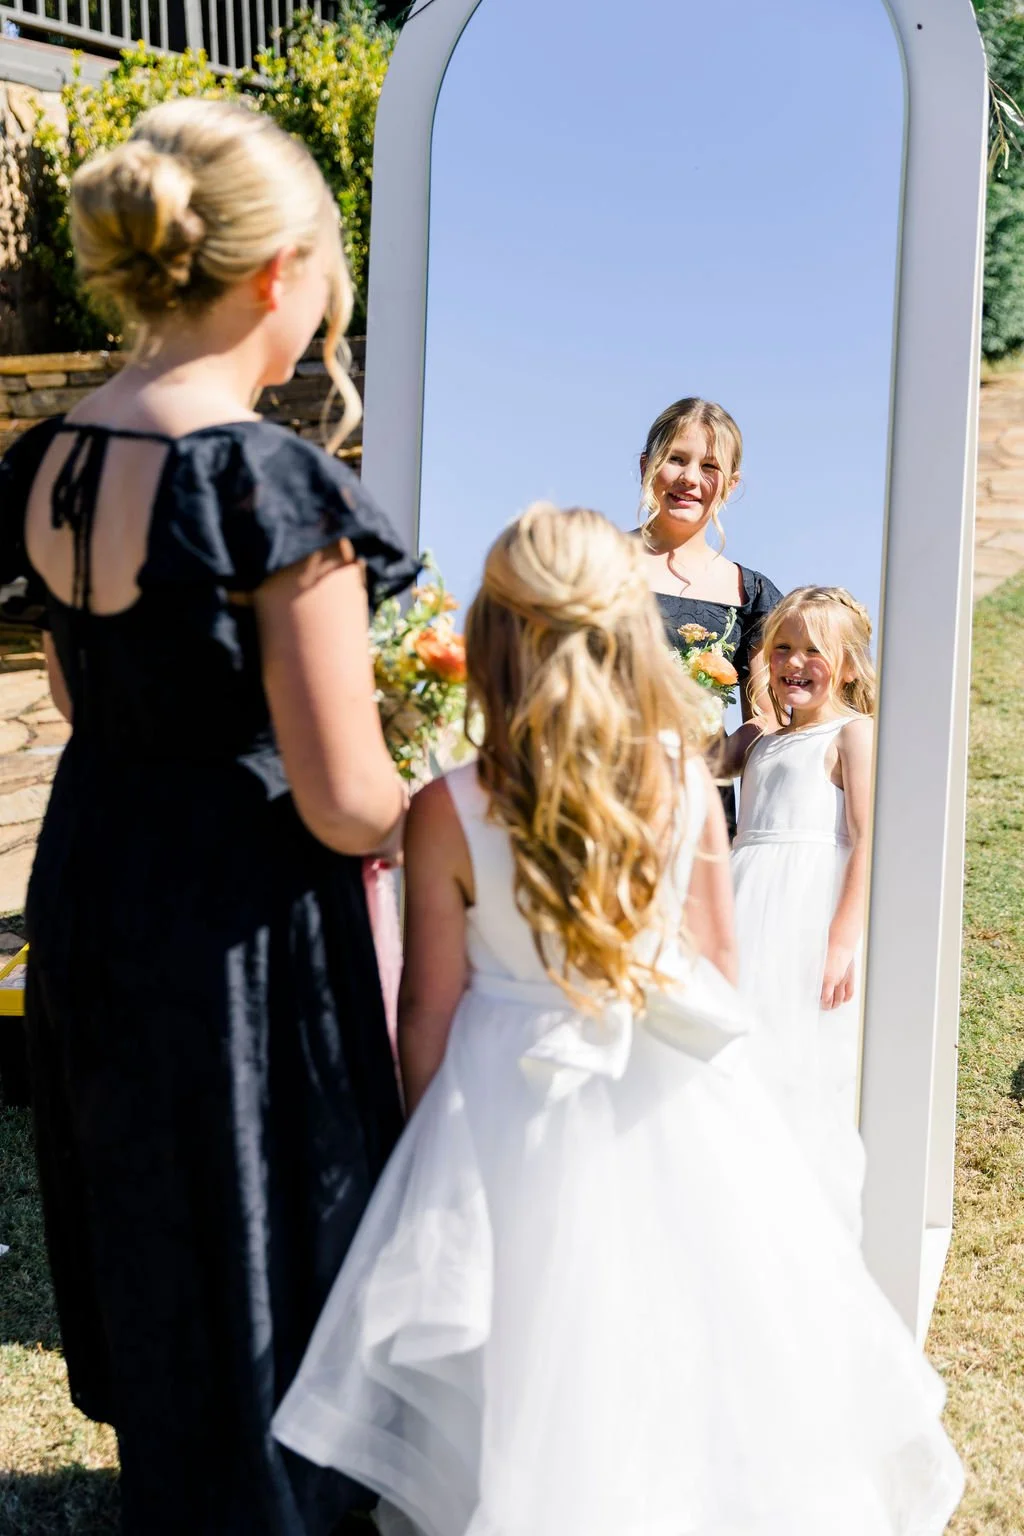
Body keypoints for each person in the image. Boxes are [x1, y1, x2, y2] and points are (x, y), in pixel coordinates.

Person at [273, 505, 962, 1536]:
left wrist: (429, 1137)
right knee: (676, 1311)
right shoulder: (681, 777)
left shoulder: (449, 804)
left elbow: (427, 1005)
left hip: (505, 1093)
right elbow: (718, 963)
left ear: (495, 636)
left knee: (528, 1335)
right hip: (666, 1081)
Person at [0, 99, 417, 1534]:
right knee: (266, 1217)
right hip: (234, 912)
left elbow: (73, 690)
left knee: (149, 1201)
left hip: (95, 869)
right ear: (279, 273)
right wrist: (450, 810)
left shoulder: (48, 463)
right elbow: (347, 796)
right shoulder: (269, 481)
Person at [723, 585, 875, 1236]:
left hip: (803, 911)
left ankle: (806, 1222)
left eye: (813, 650)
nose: (794, 662)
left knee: (800, 1057)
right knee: (742, 1052)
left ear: (845, 665)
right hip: (741, 897)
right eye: (781, 648)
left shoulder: (853, 733)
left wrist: (841, 940)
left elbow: (866, 837)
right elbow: (698, 767)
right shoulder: (757, 738)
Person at [634, 397, 782, 835]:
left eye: (709, 467)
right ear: (646, 465)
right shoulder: (598, 563)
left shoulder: (750, 592)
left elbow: (766, 714)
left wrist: (718, 760)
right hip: (605, 795)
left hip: (702, 813)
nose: (690, 479)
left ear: (731, 485)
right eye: (675, 459)